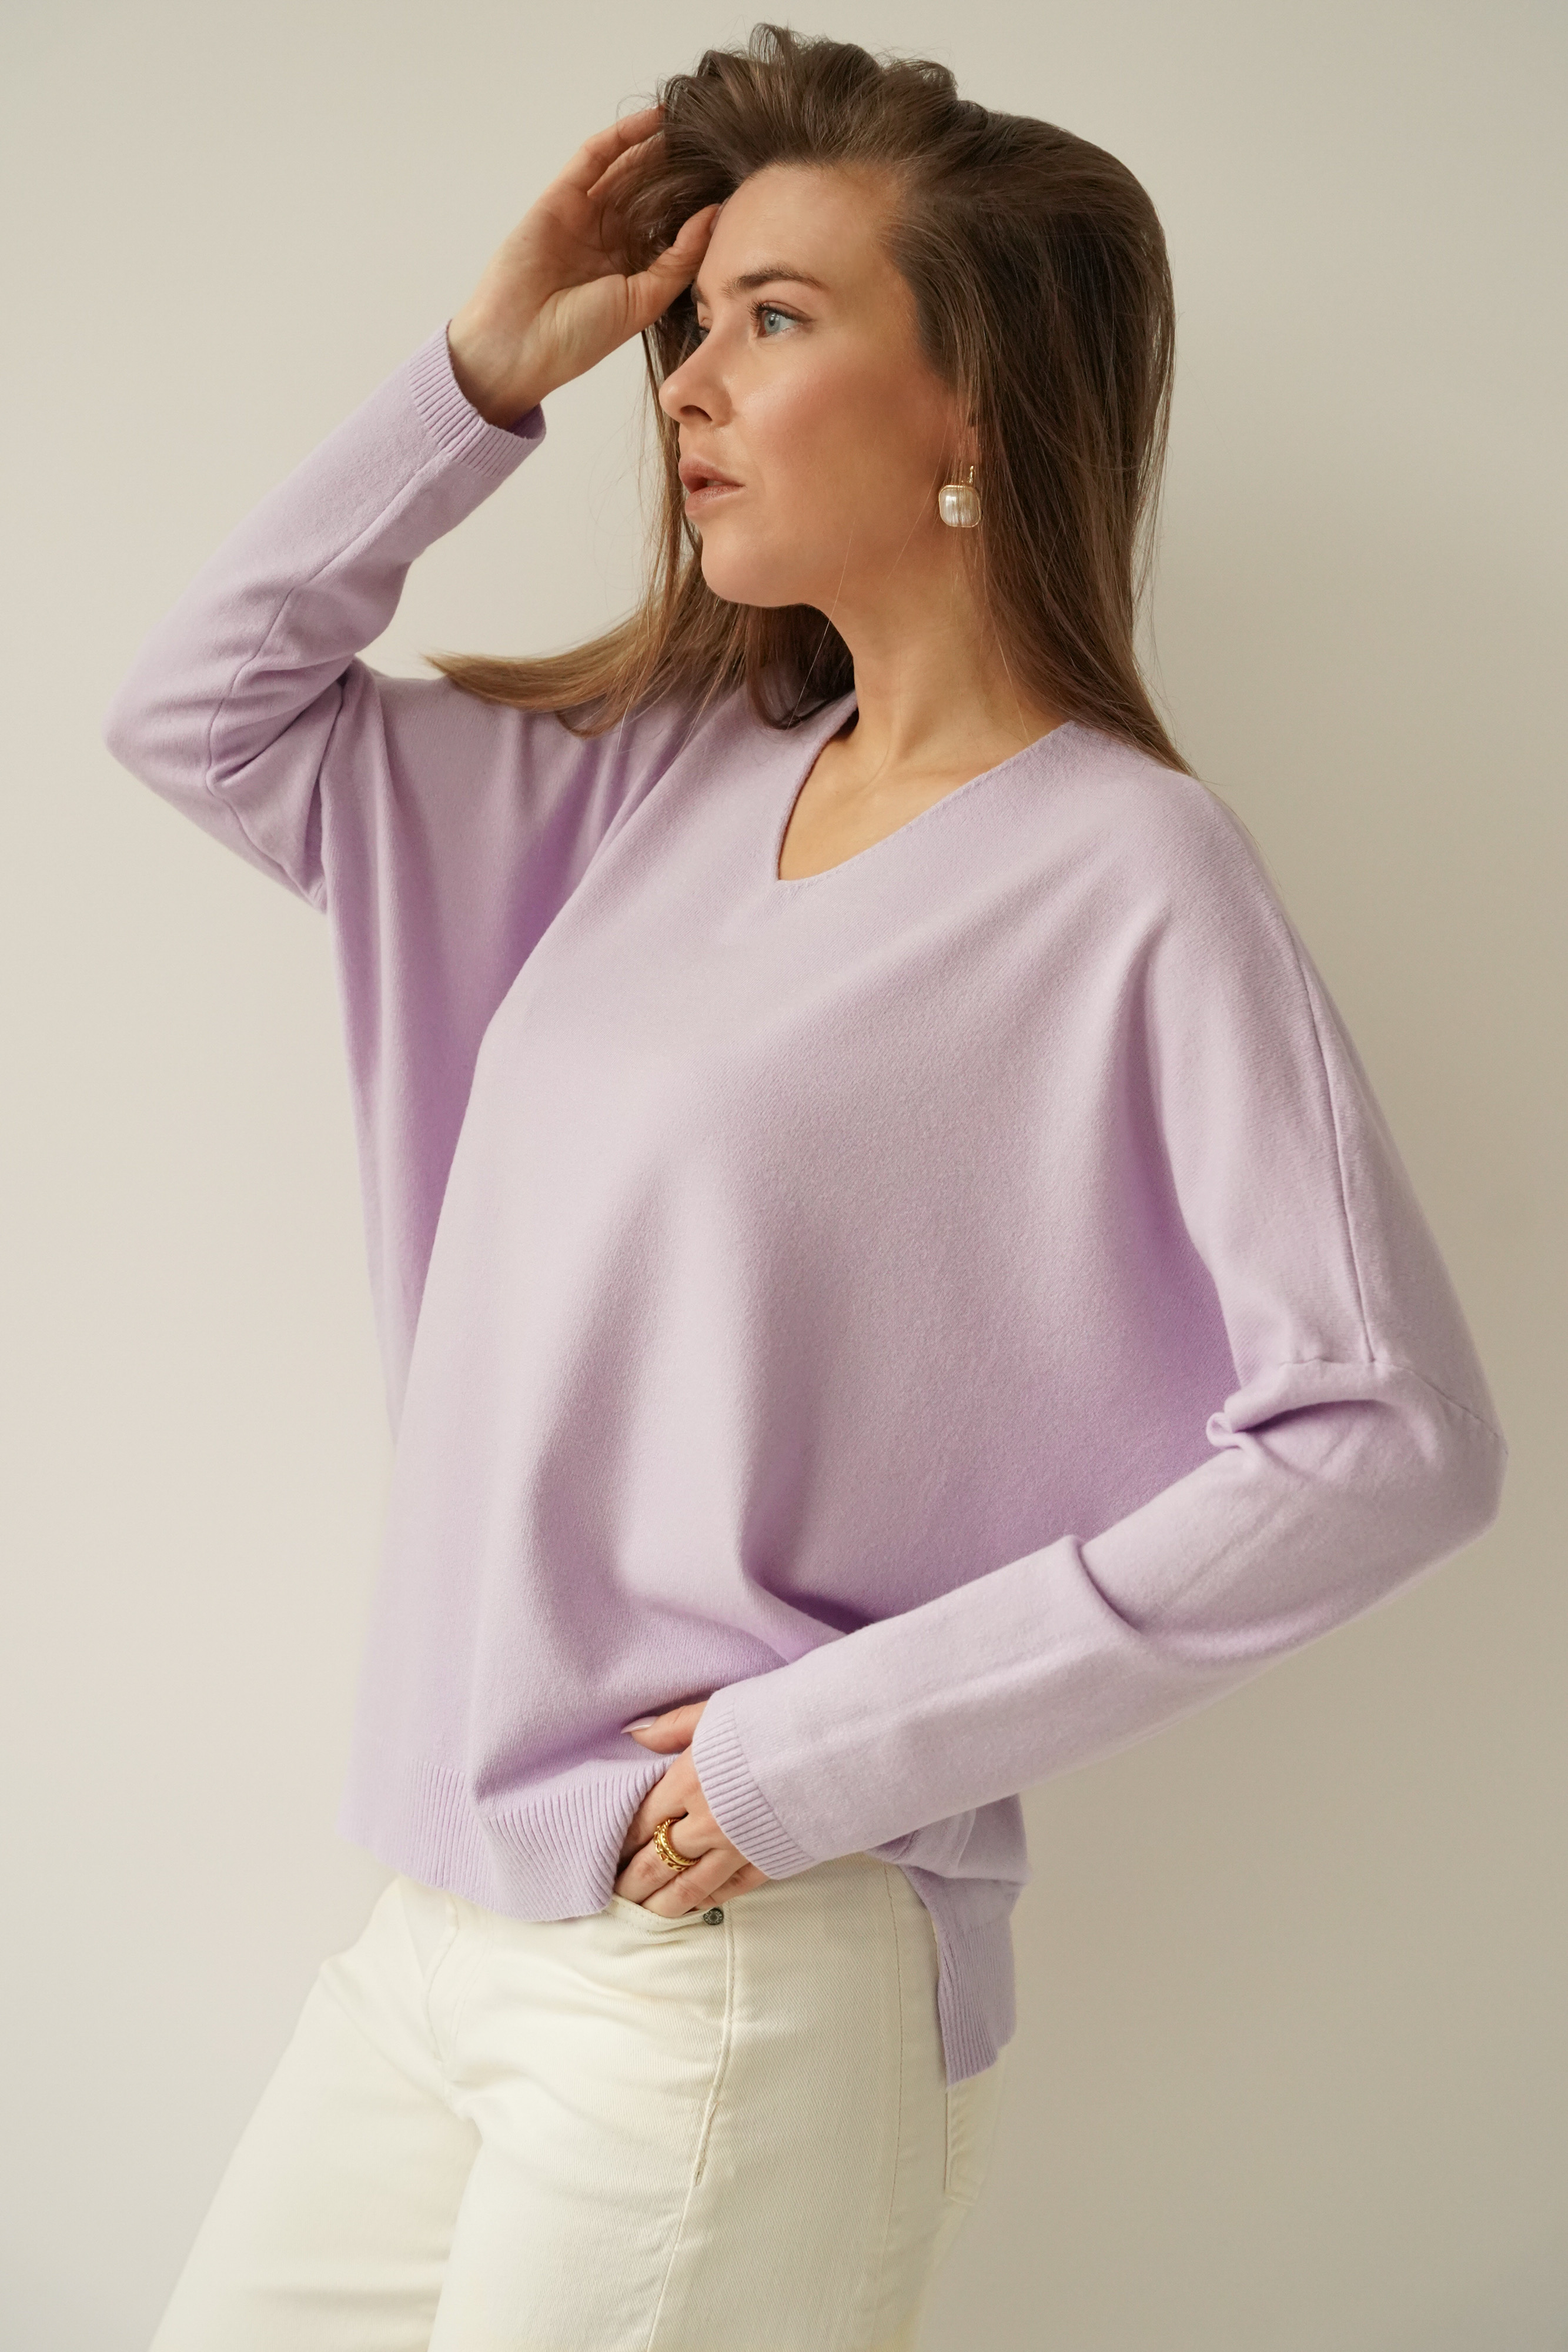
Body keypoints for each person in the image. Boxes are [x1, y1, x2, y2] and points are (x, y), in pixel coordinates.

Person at [103, 24, 1506, 2351]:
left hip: (719, 1974)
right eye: (692, 321)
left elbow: (1389, 1438)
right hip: (435, 1927)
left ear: (973, 406)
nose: (687, 380)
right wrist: (483, 367)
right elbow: (199, 713)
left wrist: (823, 1748)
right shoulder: (648, 783)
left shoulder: (1128, 872)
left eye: (774, 317)